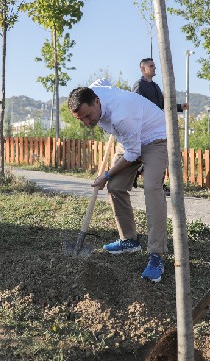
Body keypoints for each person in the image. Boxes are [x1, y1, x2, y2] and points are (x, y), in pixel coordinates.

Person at [68, 80, 169, 282]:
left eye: (88, 116)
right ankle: (129, 240)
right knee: (115, 187)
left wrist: (106, 175)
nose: (87, 123)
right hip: (128, 140)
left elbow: (133, 154)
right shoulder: (92, 92)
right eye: (81, 119)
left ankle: (156, 255)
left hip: (155, 138)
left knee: (151, 188)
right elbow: (101, 82)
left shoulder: (121, 116)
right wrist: (110, 179)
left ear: (97, 102)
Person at [131, 58, 188, 194]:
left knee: (158, 155)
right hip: (145, 128)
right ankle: (142, 178)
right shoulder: (139, 86)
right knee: (150, 155)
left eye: (154, 66)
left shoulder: (155, 86)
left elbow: (164, 104)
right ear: (143, 69)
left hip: (157, 127)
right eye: (151, 66)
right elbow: (135, 106)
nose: (154, 68)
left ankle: (141, 176)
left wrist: (180, 107)